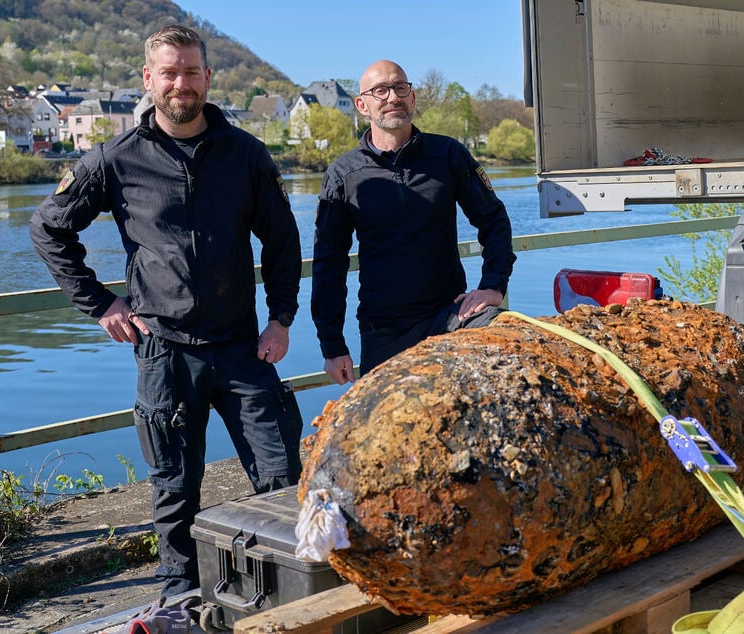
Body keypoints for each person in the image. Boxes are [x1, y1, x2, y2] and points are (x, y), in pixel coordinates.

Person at [29, 25, 303, 600]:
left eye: (193, 72)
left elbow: (282, 240)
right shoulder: (113, 159)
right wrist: (100, 303)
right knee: (175, 486)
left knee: (281, 476)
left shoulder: (247, 155)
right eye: (171, 73)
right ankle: (178, 599)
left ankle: (292, 592)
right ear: (149, 80)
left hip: (241, 349)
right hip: (164, 350)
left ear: (208, 77)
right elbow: (48, 228)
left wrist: (281, 319)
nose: (183, 83)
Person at [311, 60, 517, 383]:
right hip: (384, 332)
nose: (392, 97)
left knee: (512, 344)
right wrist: (332, 345)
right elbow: (329, 266)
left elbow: (493, 219)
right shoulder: (343, 175)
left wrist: (493, 285)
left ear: (413, 97)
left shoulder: (447, 155)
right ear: (362, 105)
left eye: (400, 87)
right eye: (380, 90)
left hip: (451, 315)